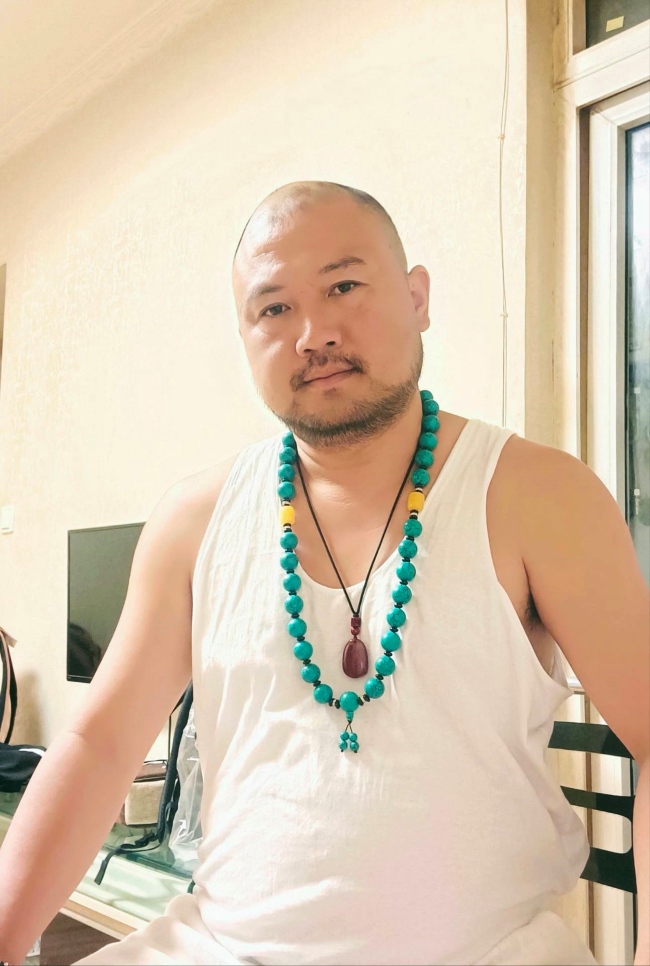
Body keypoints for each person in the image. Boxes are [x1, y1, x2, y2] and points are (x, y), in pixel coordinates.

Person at [0, 181, 647, 966]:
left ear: (417, 299)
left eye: (343, 286)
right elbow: (100, 745)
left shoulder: (538, 496)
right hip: (220, 948)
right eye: (274, 308)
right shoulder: (193, 522)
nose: (314, 334)